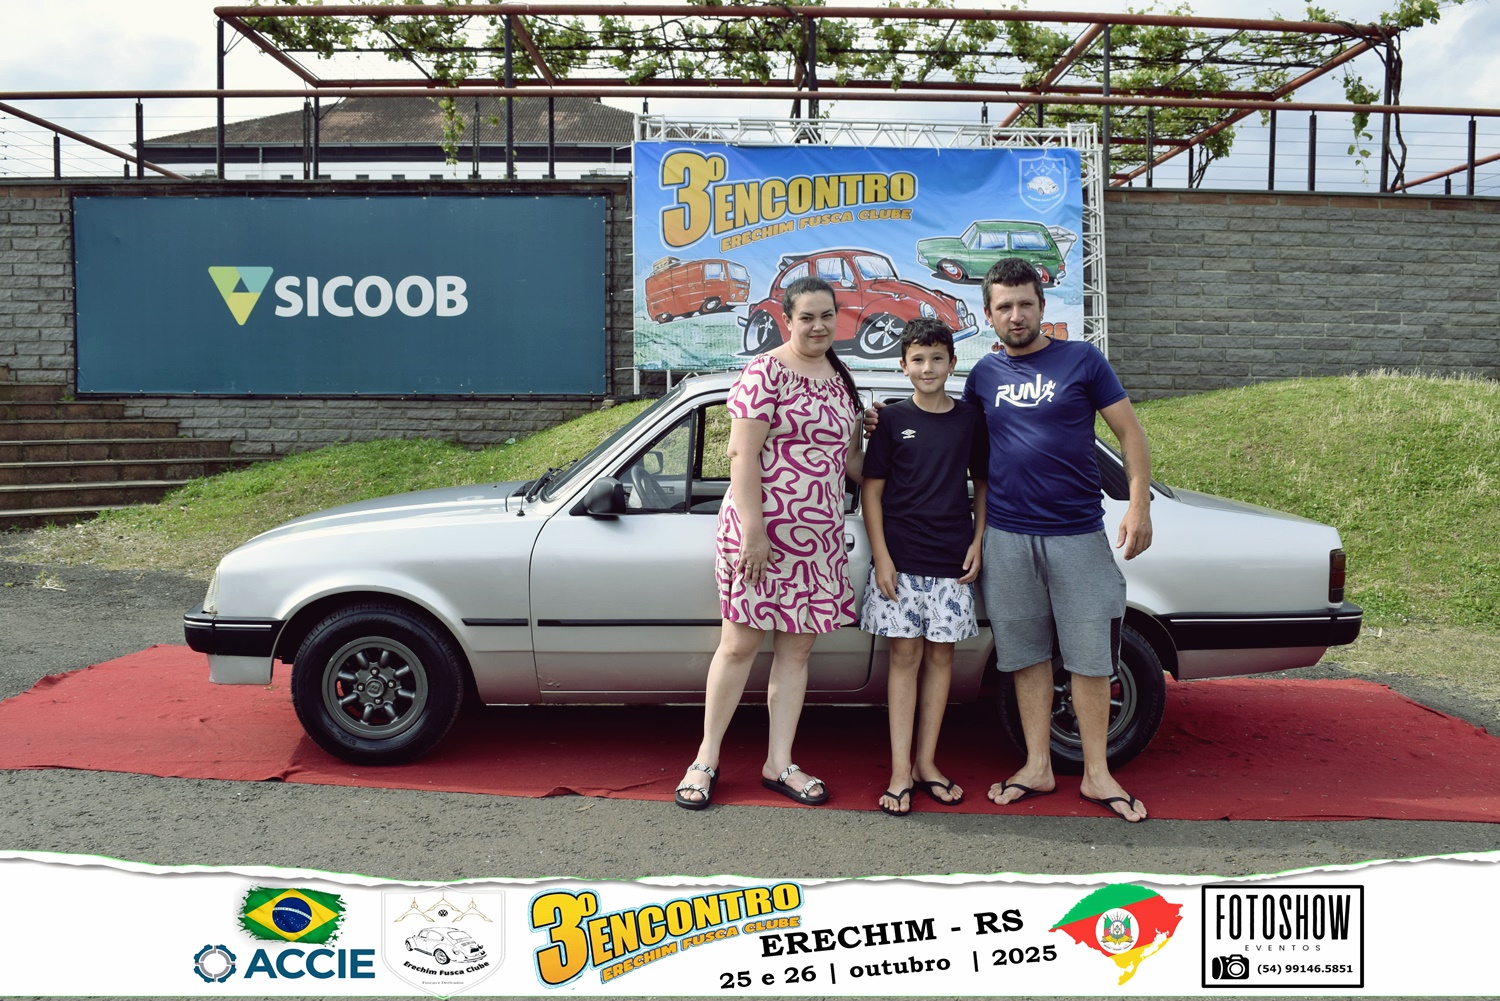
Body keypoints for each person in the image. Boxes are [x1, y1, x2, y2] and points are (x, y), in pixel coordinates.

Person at [965, 257, 1154, 822]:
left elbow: (1130, 434)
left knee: (1091, 658)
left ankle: (1097, 774)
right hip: (1007, 538)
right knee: (1025, 657)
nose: (1016, 315)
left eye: (1025, 303)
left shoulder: (1083, 360)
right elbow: (957, 443)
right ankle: (1037, 766)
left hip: (1077, 534)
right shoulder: (983, 376)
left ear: (1042, 306)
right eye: (1004, 306)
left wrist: (1139, 504)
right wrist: (881, 425)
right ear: (988, 314)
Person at [675, 275, 865, 810]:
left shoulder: (841, 379)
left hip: (819, 540)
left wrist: (897, 441)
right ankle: (705, 759)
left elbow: (851, 464)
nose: (818, 326)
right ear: (787, 319)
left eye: (826, 316)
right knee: (739, 645)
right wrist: (754, 533)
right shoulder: (766, 371)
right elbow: (741, 455)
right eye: (807, 317)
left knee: (796, 651)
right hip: (761, 536)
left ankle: (778, 762)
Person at [859, 318, 988, 817]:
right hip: (902, 560)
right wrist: (882, 557)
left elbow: (983, 485)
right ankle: (899, 771)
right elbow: (872, 492)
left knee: (941, 661)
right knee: (904, 659)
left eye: (937, 358)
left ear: (953, 363)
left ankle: (927, 764)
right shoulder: (891, 420)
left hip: (952, 561)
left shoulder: (970, 419)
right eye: (918, 359)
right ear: (903, 365)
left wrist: (978, 541)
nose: (927, 368)